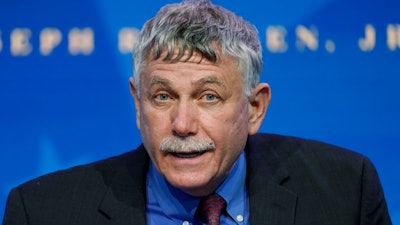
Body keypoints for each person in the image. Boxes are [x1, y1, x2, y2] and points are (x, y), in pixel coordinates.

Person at [2, 0, 392, 224]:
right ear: (138, 104)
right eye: (162, 97)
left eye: (208, 97)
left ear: (254, 108)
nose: (183, 125)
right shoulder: (42, 213)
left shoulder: (344, 193)